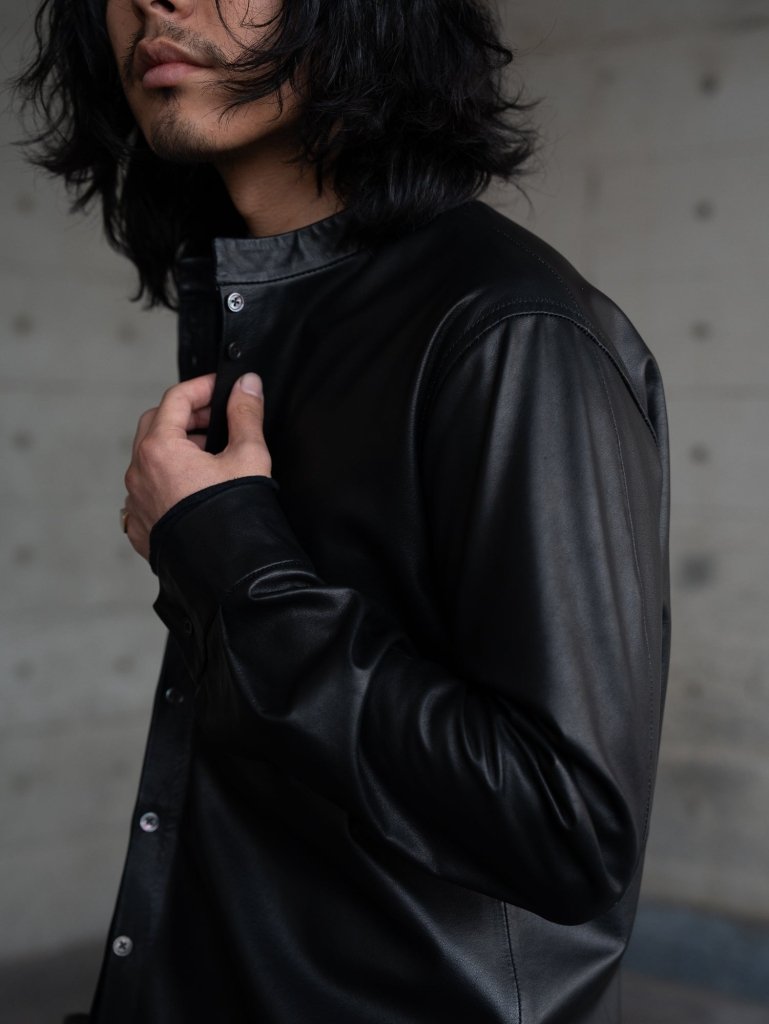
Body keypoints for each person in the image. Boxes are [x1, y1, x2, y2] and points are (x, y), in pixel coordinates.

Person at [17, 0, 671, 1021]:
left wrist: (230, 559)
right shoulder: (267, 303)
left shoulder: (509, 330)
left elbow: (568, 828)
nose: (155, 1)